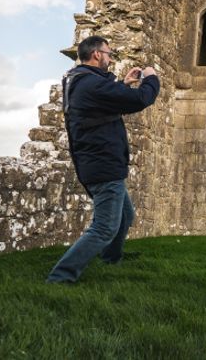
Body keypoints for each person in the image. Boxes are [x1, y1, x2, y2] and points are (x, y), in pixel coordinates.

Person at [47, 35, 160, 283]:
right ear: (97, 54)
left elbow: (104, 102)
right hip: (102, 164)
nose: (110, 58)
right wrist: (151, 78)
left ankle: (111, 259)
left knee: (125, 216)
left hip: (99, 162)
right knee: (104, 228)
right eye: (109, 54)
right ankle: (60, 277)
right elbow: (141, 99)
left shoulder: (82, 81)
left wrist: (123, 84)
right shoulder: (91, 84)